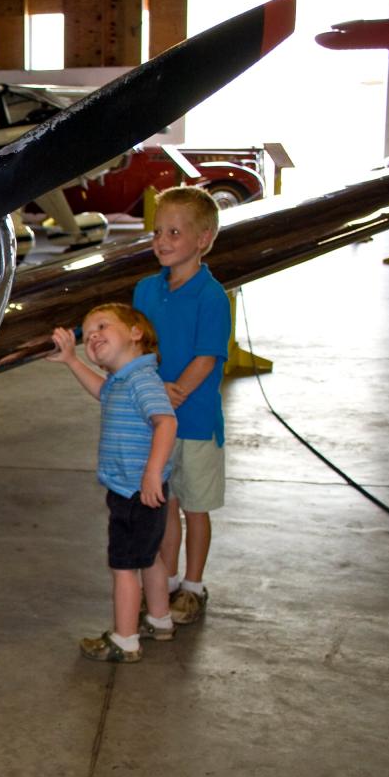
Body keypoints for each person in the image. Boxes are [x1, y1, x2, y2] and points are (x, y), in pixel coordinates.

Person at [48, 303, 178, 663]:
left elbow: (166, 422)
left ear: (136, 333)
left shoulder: (141, 381)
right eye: (88, 335)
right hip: (136, 489)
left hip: (135, 489)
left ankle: (125, 639)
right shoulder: (125, 380)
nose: (93, 336)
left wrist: (152, 472)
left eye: (102, 326)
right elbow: (102, 391)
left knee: (123, 567)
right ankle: (160, 619)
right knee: (149, 557)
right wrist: (73, 361)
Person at [132, 185, 231, 625]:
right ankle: (167, 580)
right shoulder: (145, 291)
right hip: (157, 422)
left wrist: (176, 392)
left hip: (193, 421)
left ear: (203, 239)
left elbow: (207, 355)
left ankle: (193, 585)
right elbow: (137, 345)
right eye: (157, 231)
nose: (162, 241)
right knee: (165, 503)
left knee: (196, 506)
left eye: (174, 232)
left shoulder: (212, 297)